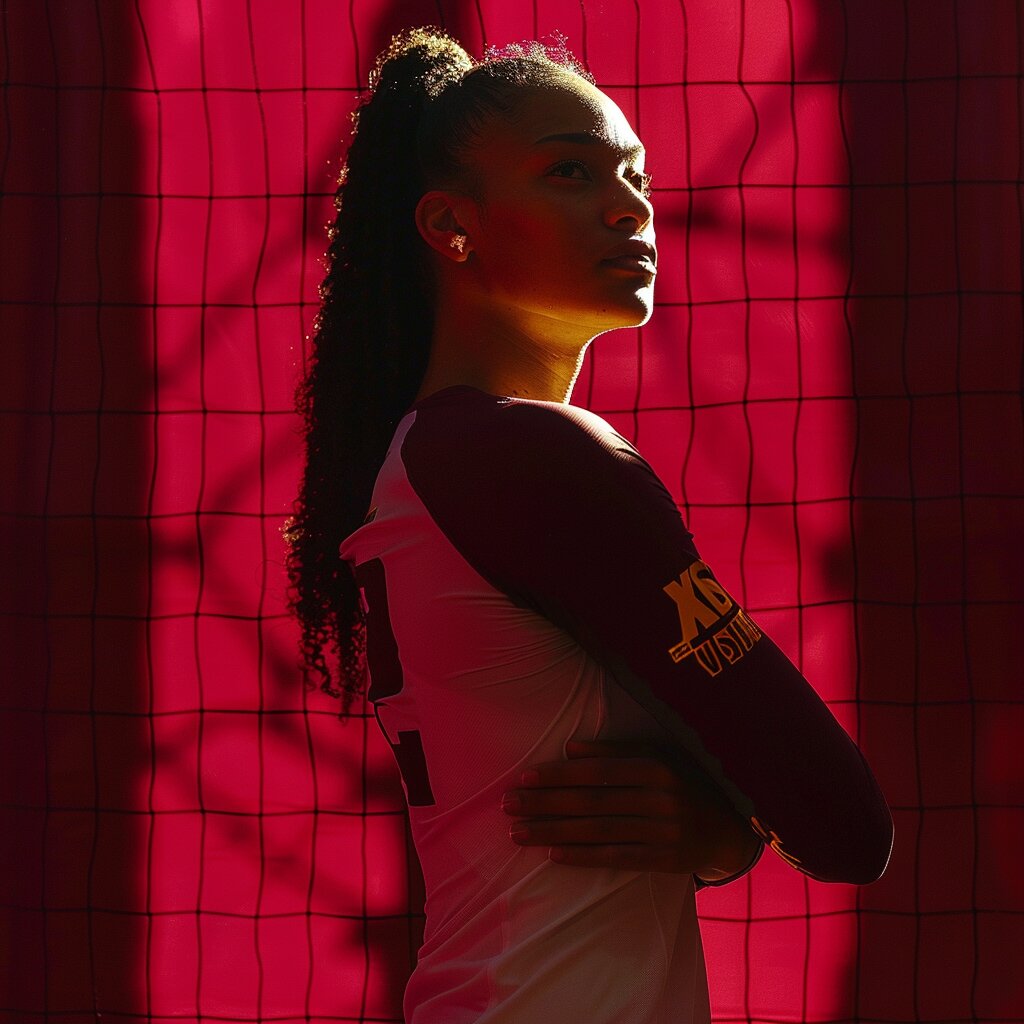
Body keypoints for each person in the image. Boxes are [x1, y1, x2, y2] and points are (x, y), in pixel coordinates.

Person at [286, 26, 893, 1024]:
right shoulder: (536, 457)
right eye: (570, 172)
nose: (630, 205)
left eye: (634, 173)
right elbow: (843, 820)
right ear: (451, 225)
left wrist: (720, 820)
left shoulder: (421, 460)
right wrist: (733, 828)